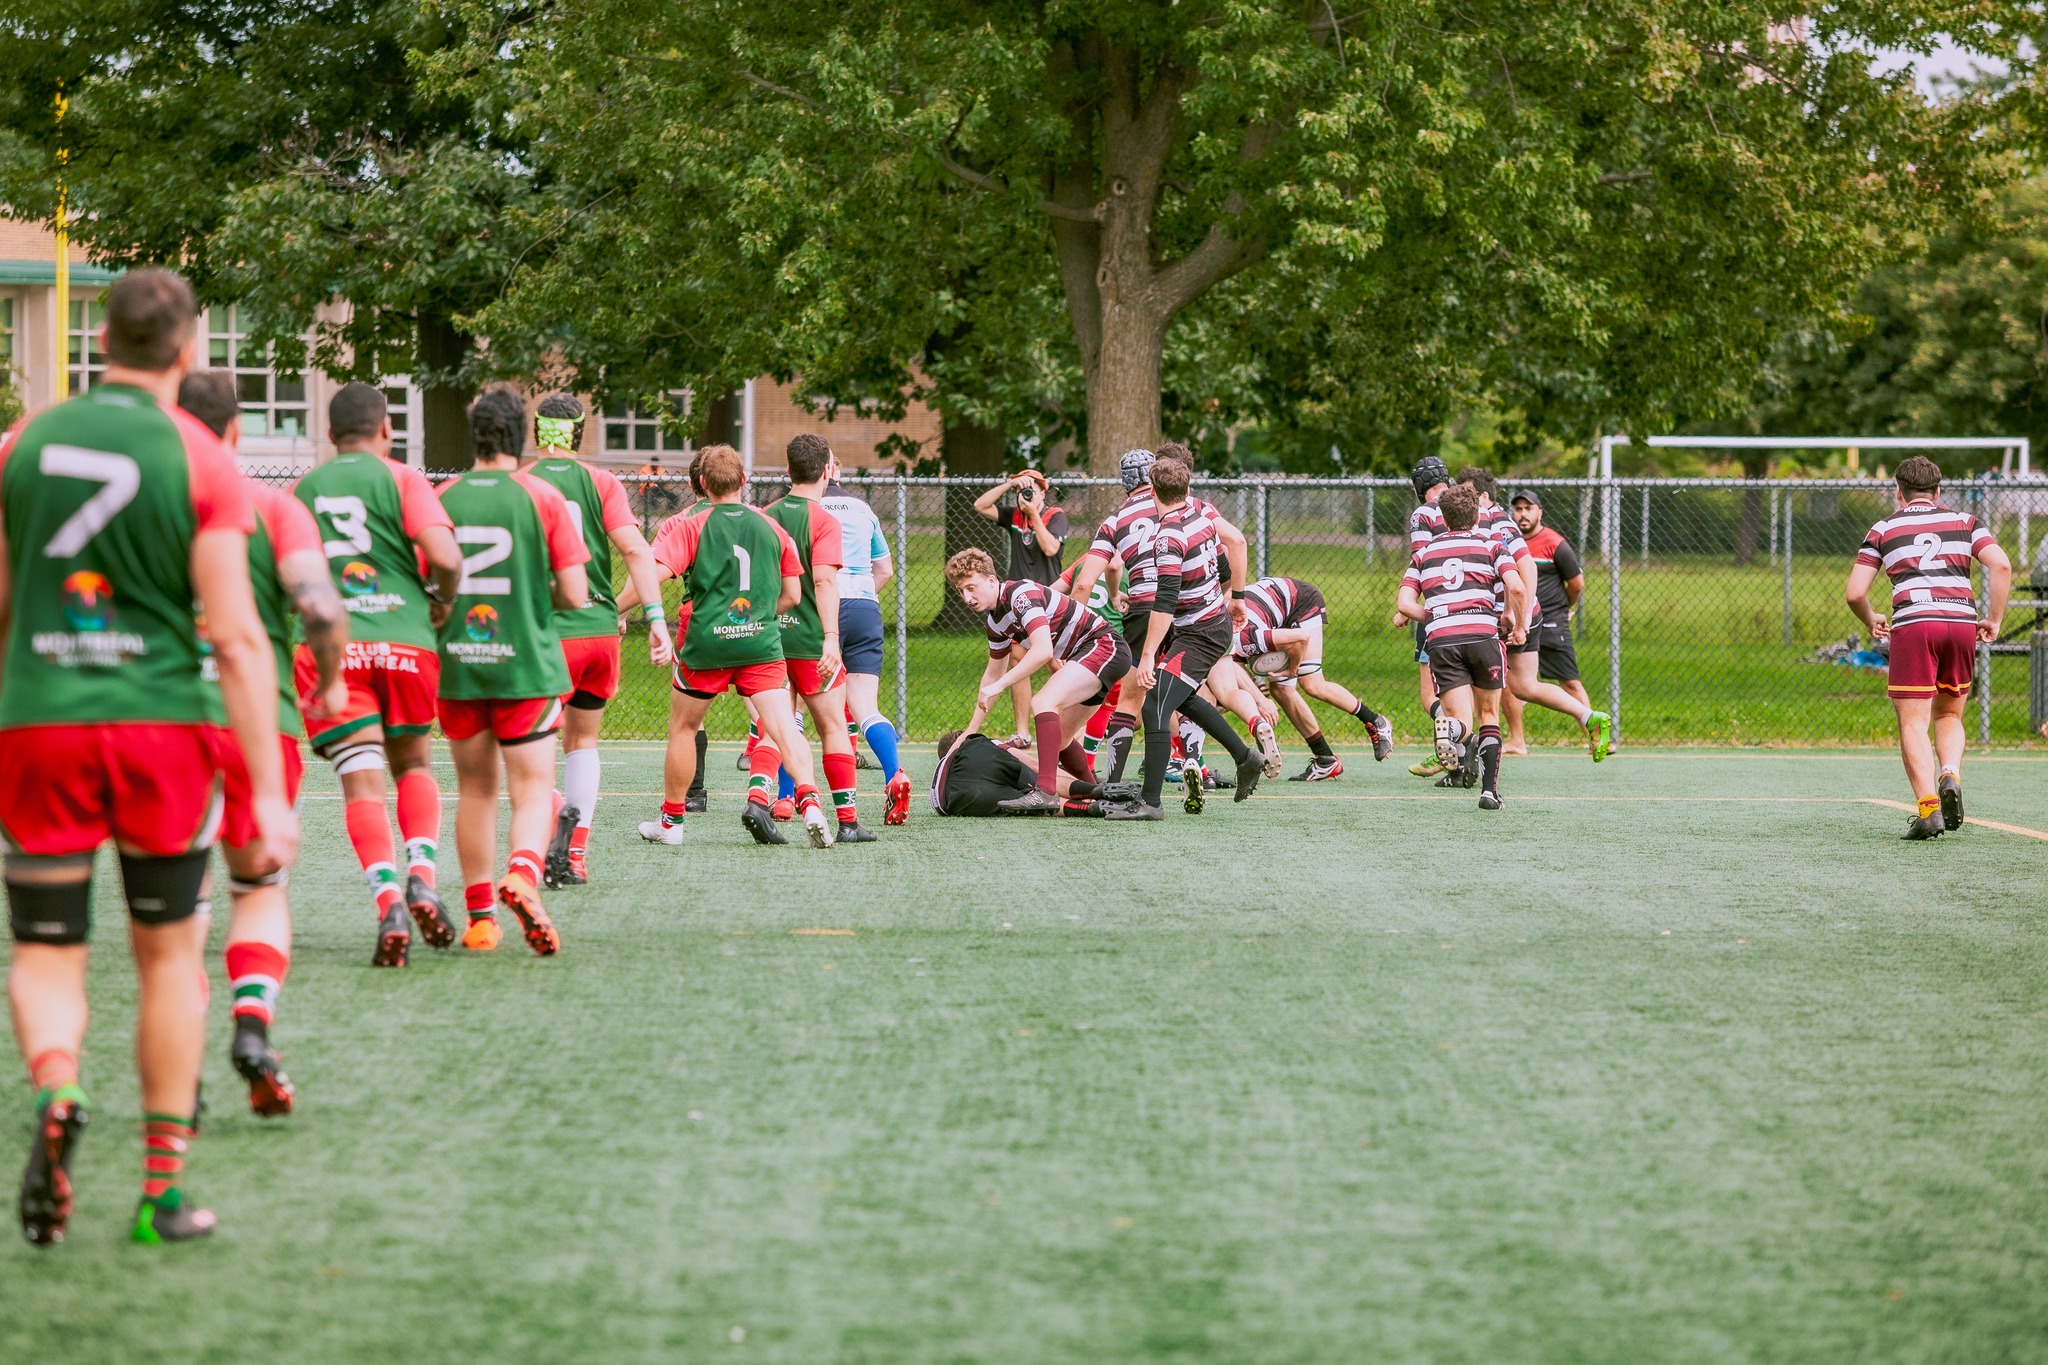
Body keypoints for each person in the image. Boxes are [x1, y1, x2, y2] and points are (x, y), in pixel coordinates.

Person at [3, 268, 297, 1246]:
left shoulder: (23, 445)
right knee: (169, 954)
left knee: (47, 949)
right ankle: (160, 1195)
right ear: (185, 352)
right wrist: (265, 789)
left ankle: (56, 1081)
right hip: (162, 727)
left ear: (99, 345)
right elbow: (242, 639)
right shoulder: (203, 460)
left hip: (40, 720)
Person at [178, 370, 348, 1119]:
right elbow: (320, 607)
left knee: (178, 909)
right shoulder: (273, 507)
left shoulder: (147, 501)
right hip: (259, 721)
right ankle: (252, 1025)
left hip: (165, 720)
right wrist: (332, 682)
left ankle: (175, 1064)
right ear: (236, 431)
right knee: (260, 889)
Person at [294, 382, 463, 966]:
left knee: (361, 785)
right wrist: (440, 600)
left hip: (332, 653)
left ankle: (388, 900)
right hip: (406, 641)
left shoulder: (304, 490)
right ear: (386, 429)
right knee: (414, 764)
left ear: (330, 431)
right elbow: (445, 557)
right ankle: (422, 877)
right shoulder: (402, 478)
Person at [435, 389, 590, 954]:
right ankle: (523, 875)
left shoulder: (443, 498)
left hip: (460, 667)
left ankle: (480, 921)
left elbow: (430, 585)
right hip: (524, 663)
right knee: (530, 789)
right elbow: (575, 593)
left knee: (475, 791)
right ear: (523, 434)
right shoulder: (541, 496)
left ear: (474, 433)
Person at [636, 445, 833, 848]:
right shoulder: (771, 526)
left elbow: (652, 574)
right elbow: (793, 594)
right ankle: (810, 802)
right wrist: (756, 614)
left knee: (684, 728)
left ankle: (672, 824)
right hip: (760, 643)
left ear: (703, 484)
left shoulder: (692, 525)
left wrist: (648, 616)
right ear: (744, 481)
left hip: (706, 642)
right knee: (782, 727)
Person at [523, 395, 674, 888]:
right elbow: (634, 548)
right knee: (582, 741)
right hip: (596, 631)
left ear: (537, 432)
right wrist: (654, 616)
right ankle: (577, 853)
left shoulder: (522, 482)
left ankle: (545, 834)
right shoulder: (601, 481)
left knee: (530, 742)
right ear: (580, 432)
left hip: (543, 631)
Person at [1068, 442, 1255, 787]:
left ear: (1125, 483)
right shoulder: (1192, 504)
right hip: (1191, 614)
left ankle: (1111, 785)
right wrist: (1234, 595)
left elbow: (1088, 581)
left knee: (1131, 695)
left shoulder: (1115, 520)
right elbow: (1231, 545)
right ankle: (1215, 759)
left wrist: (1109, 598)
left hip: (1145, 609)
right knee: (1180, 692)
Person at [1844, 455, 2012, 839]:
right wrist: (1995, 619)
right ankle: (1950, 774)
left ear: (1898, 493)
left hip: (1915, 624)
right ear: (1938, 492)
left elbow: (1855, 592)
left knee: (1913, 723)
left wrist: (1871, 619)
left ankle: (1928, 810)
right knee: (1949, 714)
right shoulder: (1965, 522)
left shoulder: (1884, 527)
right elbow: (2001, 566)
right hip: (1960, 624)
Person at [1110, 455, 1264, 819]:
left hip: (1199, 633)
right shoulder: (1202, 514)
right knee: (1181, 697)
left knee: (1154, 705)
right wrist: (1230, 598)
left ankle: (1150, 803)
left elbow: (1164, 603)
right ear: (1186, 486)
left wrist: (1147, 656)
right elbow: (1232, 553)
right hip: (1207, 625)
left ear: (1153, 492)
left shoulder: (1168, 538)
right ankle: (1246, 757)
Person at [945, 548, 1131, 814]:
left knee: (1043, 701)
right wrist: (969, 732)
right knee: (1063, 739)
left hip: (1105, 646)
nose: (967, 597)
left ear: (990, 579)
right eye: (961, 591)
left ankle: (1045, 792)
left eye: (971, 587)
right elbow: (992, 675)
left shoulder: (1020, 594)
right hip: (1092, 654)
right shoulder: (995, 623)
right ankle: (1104, 797)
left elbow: (1042, 650)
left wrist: (1000, 685)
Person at [767, 435, 875, 843]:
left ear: (789, 468)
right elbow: (825, 579)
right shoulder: (824, 518)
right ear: (829, 470)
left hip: (773, 640)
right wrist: (832, 637)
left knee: (775, 725)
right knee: (832, 726)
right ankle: (847, 821)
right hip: (812, 640)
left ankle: (763, 802)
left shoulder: (767, 514)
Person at [1461, 471, 1611, 762]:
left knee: (1478, 679)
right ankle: (1589, 716)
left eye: (1465, 492)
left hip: (1515, 615)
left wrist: (1519, 617)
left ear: (1482, 497)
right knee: (1522, 686)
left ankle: (1462, 749)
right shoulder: (1479, 522)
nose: (1459, 497)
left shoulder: (1499, 524)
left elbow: (1525, 568)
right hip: (1511, 613)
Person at [1397, 484, 1526, 811]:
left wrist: (1435, 614)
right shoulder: (1493, 546)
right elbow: (1517, 587)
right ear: (1478, 514)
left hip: (1441, 639)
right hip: (1483, 635)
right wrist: (1514, 619)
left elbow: (1403, 603)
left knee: (1461, 720)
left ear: (1442, 516)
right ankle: (1488, 793)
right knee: (1489, 715)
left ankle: (1450, 728)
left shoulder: (1423, 553)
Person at [820, 454, 912, 823]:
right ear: (836, 469)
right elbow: (885, 569)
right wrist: (861, 594)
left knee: (792, 707)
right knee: (866, 707)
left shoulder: (802, 507)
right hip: (864, 607)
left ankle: (782, 795)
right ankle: (895, 774)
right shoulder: (862, 508)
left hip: (818, 607)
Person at [1235, 575, 1395, 778]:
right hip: (1274, 612)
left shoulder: (1246, 638)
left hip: (1301, 602)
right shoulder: (1227, 641)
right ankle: (1325, 759)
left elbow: (1300, 639)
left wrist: (1292, 669)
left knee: (1311, 683)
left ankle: (1376, 722)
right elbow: (1235, 675)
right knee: (1281, 690)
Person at [1504, 489, 1608, 755]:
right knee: (1508, 681)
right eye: (1518, 509)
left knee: (1569, 681)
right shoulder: (1507, 541)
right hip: (1518, 623)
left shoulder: (1555, 543)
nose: (1523, 514)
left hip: (1549, 621)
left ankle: (1596, 737)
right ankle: (1517, 741)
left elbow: (1576, 584)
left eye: (1529, 508)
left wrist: (1563, 609)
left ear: (1540, 512)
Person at [1400, 456, 1452, 776]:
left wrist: (1406, 604)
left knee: (1430, 694)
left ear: (1420, 489)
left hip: (1437, 611)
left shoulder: (1425, 513)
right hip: (1477, 611)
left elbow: (1422, 560)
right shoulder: (1472, 506)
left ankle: (1450, 746)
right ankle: (1466, 749)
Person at [928, 731, 1118, 817]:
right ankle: (1096, 791)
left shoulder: (940, 776)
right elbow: (1037, 765)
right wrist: (1085, 785)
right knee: (1041, 784)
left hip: (952, 799)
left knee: (1031, 803)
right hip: (977, 759)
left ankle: (1090, 810)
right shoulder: (971, 746)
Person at [973, 467, 1069, 584]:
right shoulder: (1014, 515)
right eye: (1021, 491)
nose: (1026, 495)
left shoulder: (1055, 515)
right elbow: (980, 505)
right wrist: (1010, 484)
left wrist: (1033, 514)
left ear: (1042, 494)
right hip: (1017, 589)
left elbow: (1050, 549)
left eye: (1030, 491)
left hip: (1046, 590)